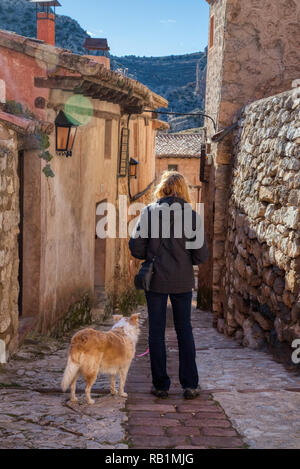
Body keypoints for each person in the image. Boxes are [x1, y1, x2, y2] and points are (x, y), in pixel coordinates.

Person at [129, 171, 209, 399]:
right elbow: (201, 255)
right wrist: (185, 259)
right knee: (184, 330)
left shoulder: (149, 212)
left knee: (156, 330)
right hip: (182, 280)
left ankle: (161, 385)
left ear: (162, 188)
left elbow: (135, 248)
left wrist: (152, 256)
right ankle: (190, 384)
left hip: (156, 279)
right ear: (184, 190)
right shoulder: (192, 217)